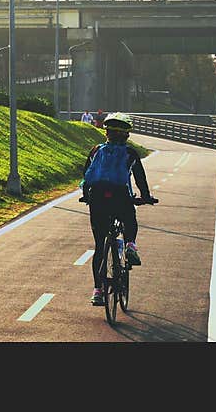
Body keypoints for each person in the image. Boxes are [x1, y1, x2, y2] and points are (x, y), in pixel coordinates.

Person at [78, 112, 154, 306]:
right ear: (127, 135)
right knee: (130, 219)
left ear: (107, 133)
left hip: (97, 198)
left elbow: (86, 175)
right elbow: (140, 179)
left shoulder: (96, 150)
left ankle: (97, 291)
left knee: (100, 247)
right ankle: (130, 245)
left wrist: (87, 196)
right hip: (120, 196)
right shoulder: (130, 153)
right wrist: (145, 197)